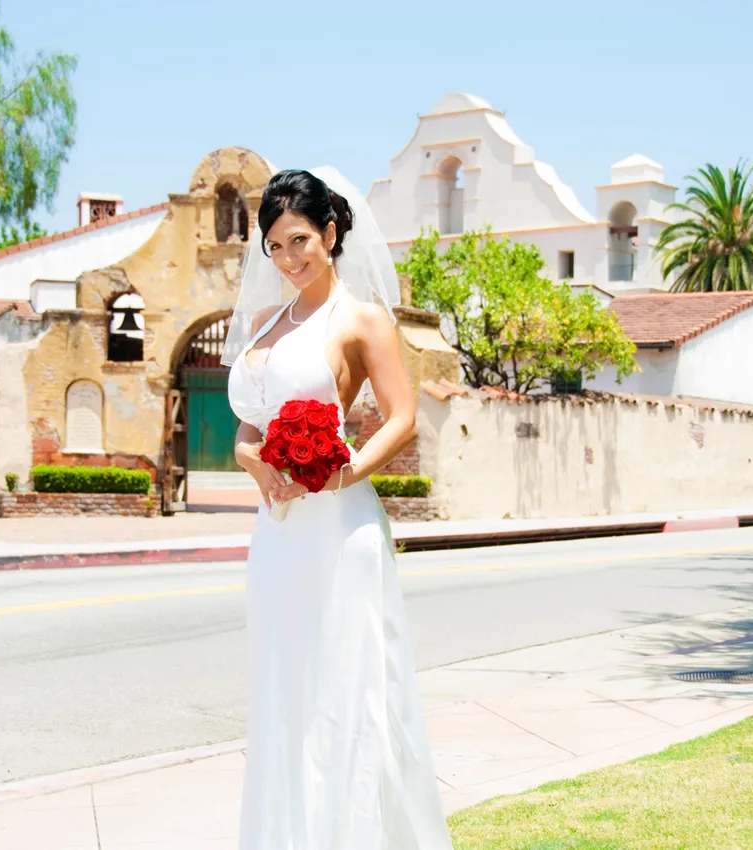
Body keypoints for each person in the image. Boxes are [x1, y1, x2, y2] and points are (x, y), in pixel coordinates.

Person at [224, 168, 452, 849]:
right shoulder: (266, 322)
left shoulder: (362, 319)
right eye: (275, 247)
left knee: (344, 695)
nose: (290, 259)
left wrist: (342, 471)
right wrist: (252, 461)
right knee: (285, 692)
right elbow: (245, 428)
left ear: (330, 233)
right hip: (278, 534)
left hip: (338, 526)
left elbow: (403, 418)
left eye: (300, 240)